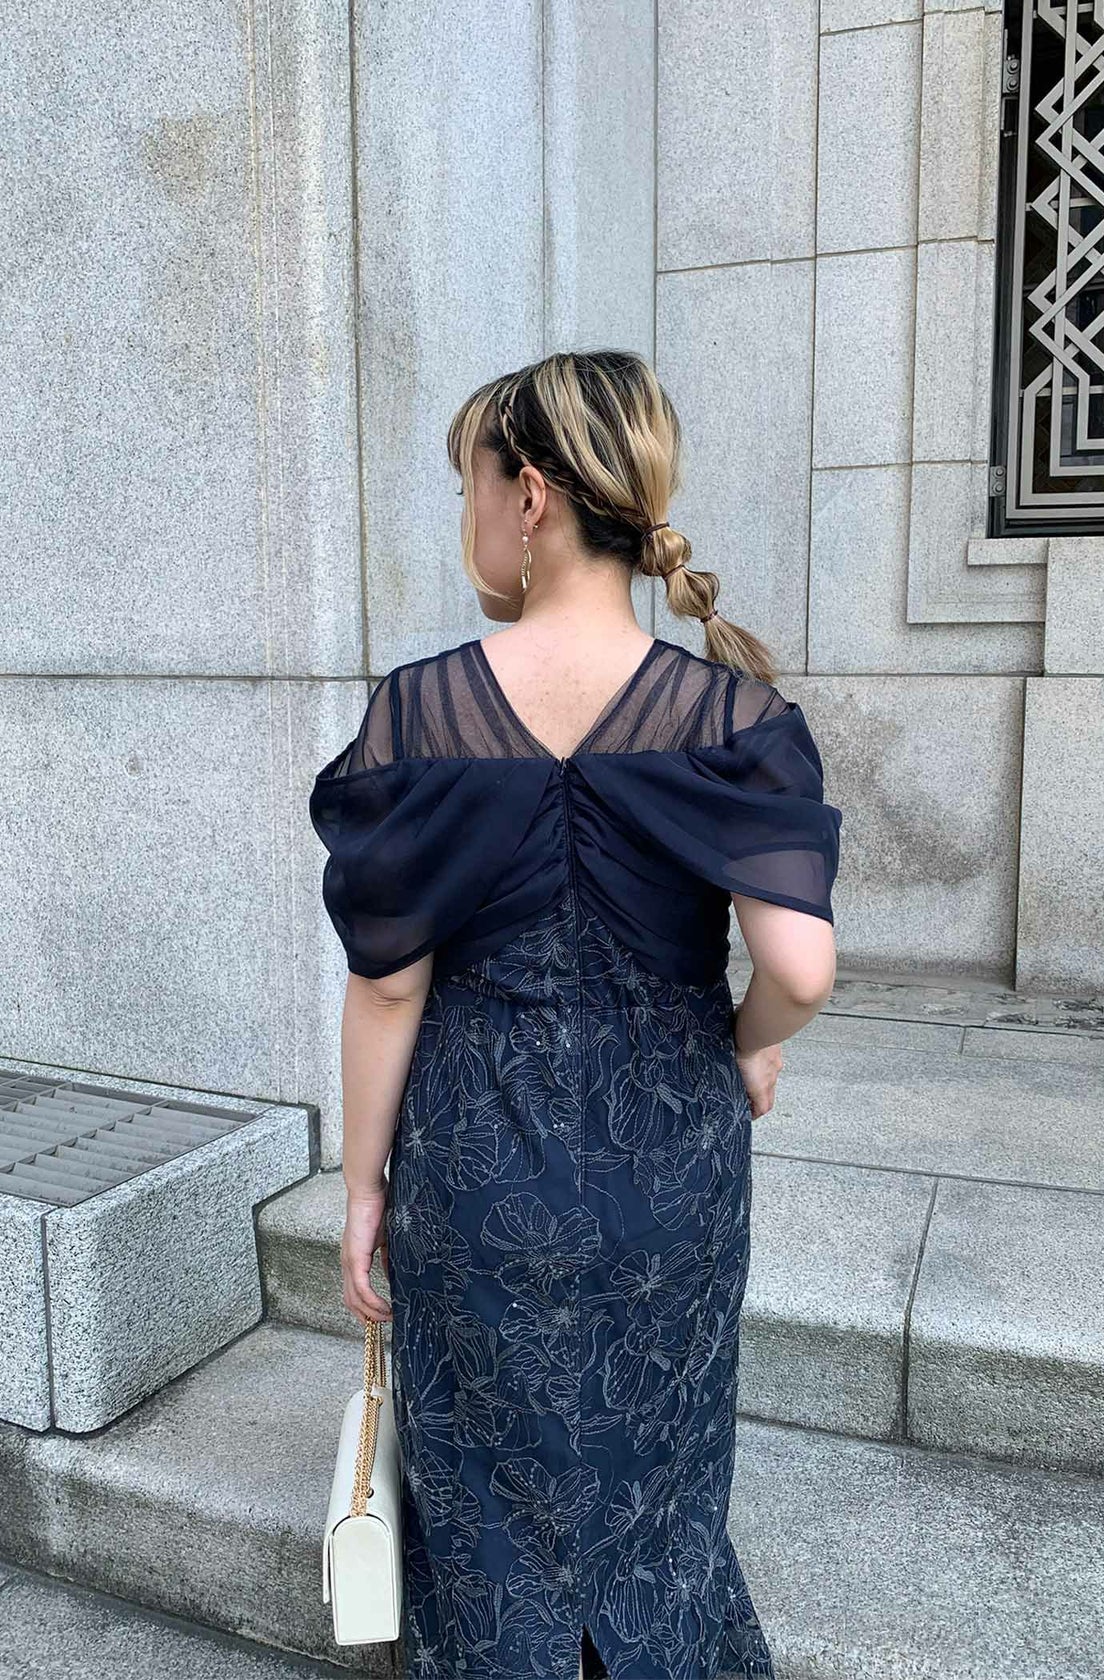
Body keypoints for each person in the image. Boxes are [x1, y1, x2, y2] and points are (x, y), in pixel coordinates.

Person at [308, 349, 843, 1680]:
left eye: (473, 486)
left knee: (485, 1500)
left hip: (477, 1158)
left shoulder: (420, 713)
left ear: (532, 495)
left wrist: (364, 1187)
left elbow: (389, 980)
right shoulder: (731, 714)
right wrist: (746, 1046)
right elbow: (801, 967)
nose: (472, 518)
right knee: (664, 1487)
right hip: (672, 1159)